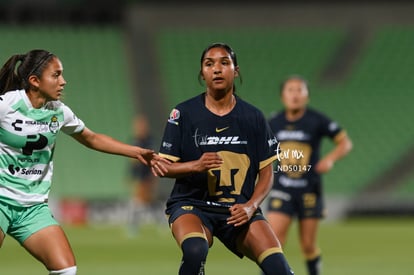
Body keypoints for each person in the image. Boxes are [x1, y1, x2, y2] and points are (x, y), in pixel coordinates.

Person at [0, 49, 168, 275]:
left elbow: (92, 138)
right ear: (34, 81)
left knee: (66, 269)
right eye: (56, 75)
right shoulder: (6, 105)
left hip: (32, 207)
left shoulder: (58, 112)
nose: (63, 81)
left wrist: (135, 151)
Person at [158, 42, 294, 275]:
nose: (217, 69)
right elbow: (162, 167)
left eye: (224, 62)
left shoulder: (253, 117)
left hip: (238, 209)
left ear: (236, 70)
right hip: (193, 206)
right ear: (202, 73)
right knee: (194, 250)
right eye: (209, 64)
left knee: (279, 268)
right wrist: (195, 165)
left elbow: (267, 173)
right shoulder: (183, 114)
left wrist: (251, 206)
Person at [265, 75, 353, 275]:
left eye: (299, 90)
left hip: (309, 190)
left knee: (308, 246)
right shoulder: (273, 122)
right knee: (273, 242)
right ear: (282, 96)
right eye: (290, 90)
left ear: (307, 96)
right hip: (282, 189)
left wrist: (330, 159)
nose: (295, 95)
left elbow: (345, 143)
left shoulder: (317, 120)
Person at [126, 114, 160, 235]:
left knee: (142, 203)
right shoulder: (134, 140)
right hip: (139, 178)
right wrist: (130, 176)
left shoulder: (149, 141)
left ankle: (133, 227)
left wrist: (153, 177)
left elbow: (152, 159)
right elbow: (131, 162)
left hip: (148, 177)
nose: (139, 128)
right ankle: (134, 226)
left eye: (141, 125)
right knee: (142, 203)